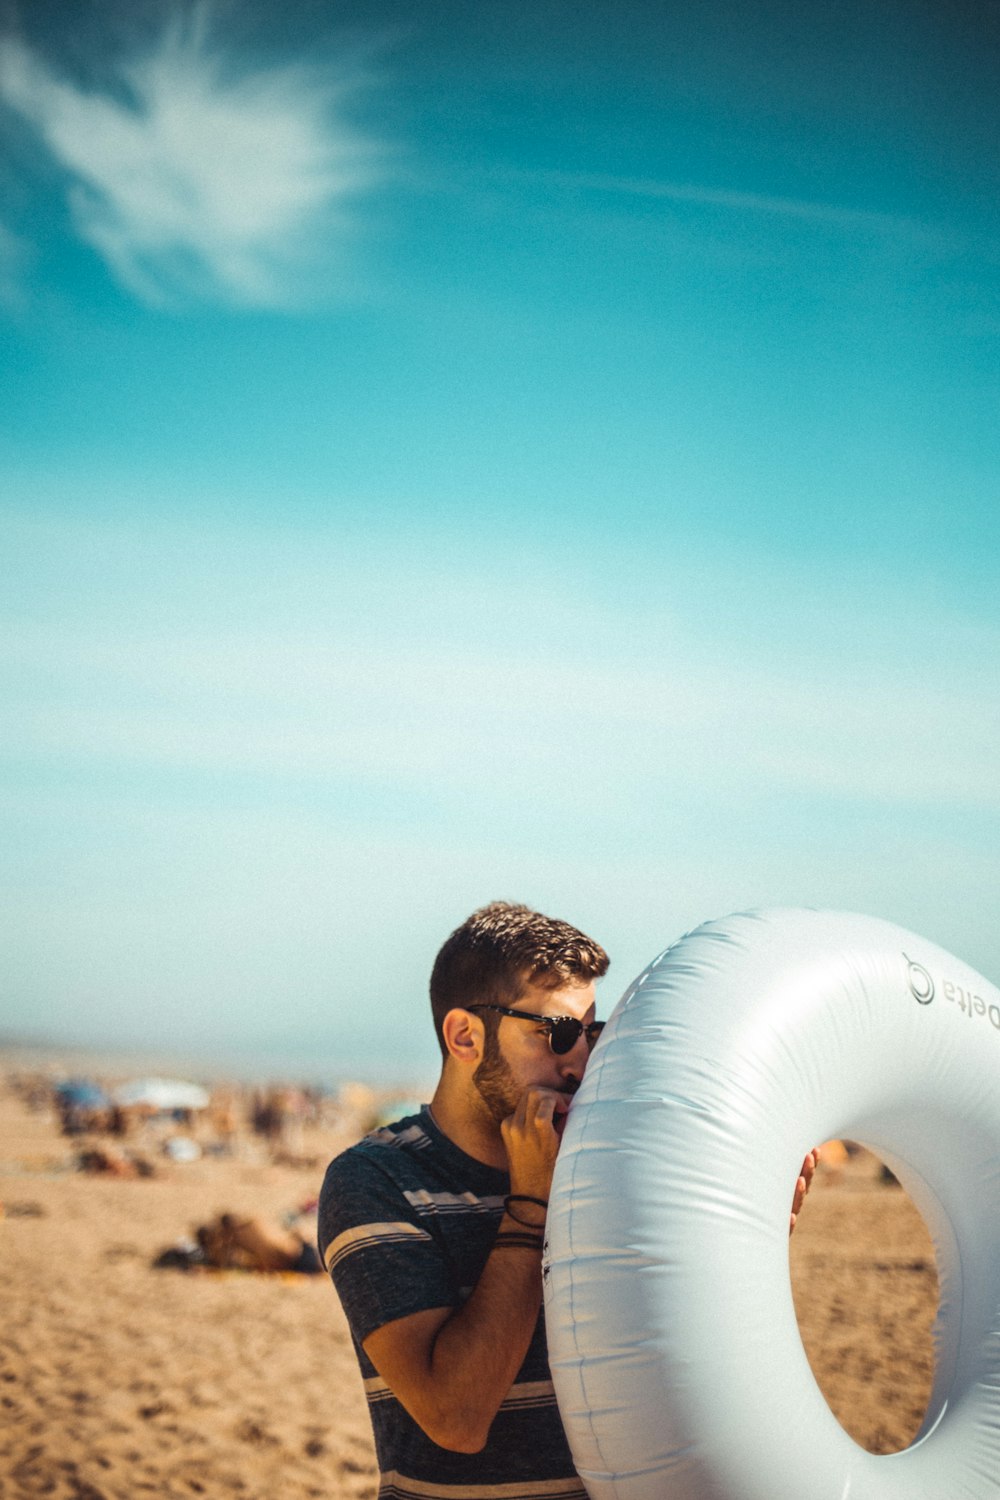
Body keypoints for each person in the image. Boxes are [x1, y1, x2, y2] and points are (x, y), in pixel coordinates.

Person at [318, 902, 817, 1500]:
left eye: (592, 1032)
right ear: (464, 1036)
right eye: (556, 1033)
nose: (580, 1062)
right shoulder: (376, 1179)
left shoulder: (606, 1164)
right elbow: (455, 1416)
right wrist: (531, 1202)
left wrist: (740, 1240)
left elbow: (668, 1356)